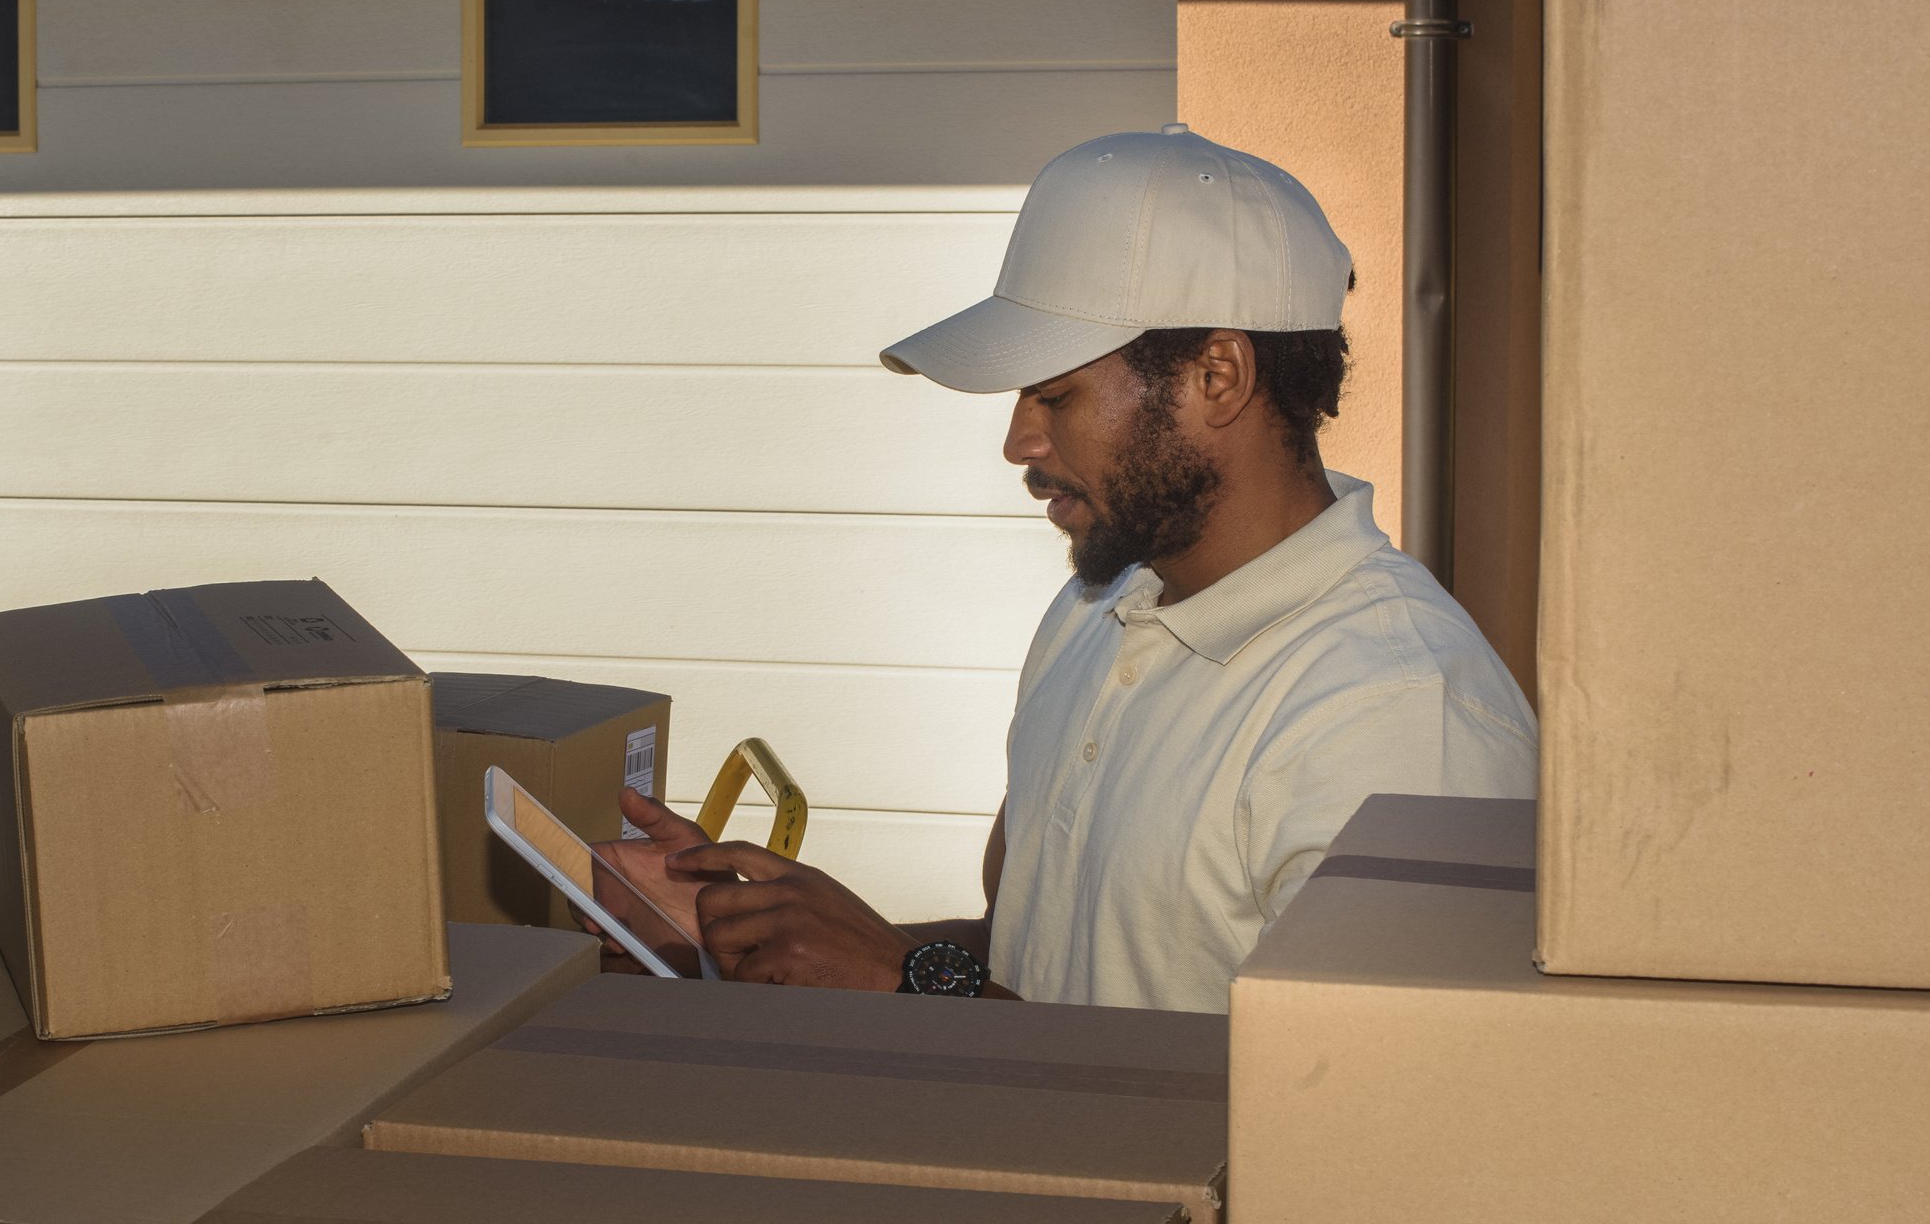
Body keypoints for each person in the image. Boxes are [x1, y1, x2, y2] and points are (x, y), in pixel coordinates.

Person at [599, 124, 1537, 1014]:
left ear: (1218, 377)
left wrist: (902, 979)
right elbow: (1035, 971)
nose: (1020, 439)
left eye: (1055, 393)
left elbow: (1361, 1128)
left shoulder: (1405, 723)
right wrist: (774, 943)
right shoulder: (1099, 608)